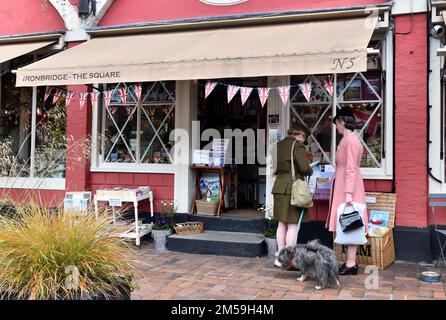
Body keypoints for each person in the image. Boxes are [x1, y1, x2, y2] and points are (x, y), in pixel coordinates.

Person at [326, 107, 367, 276]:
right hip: (344, 184)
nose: (336, 126)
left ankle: (351, 263)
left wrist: (349, 192)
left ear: (342, 121)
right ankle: (349, 262)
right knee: (347, 223)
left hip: (347, 186)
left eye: (336, 122)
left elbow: (351, 168)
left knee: (350, 223)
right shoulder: (349, 139)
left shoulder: (350, 140)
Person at [271, 127, 313, 267]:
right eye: (304, 138)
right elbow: (304, 168)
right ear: (300, 134)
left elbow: (276, 168)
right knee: (293, 224)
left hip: (279, 186)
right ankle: (289, 259)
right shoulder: (298, 145)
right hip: (292, 188)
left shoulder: (277, 145)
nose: (304, 141)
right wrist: (310, 169)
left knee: (281, 223)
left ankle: (279, 256)